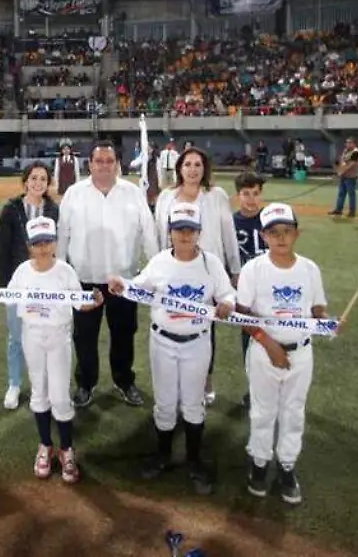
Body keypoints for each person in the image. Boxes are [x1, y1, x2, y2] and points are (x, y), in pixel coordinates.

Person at [108, 202, 236, 495]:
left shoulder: (210, 263)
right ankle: (162, 455)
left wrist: (227, 302)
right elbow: (138, 286)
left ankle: (194, 460)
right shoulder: (160, 262)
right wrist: (120, 284)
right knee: (165, 402)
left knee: (193, 403)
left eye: (190, 229)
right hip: (163, 341)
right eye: (179, 229)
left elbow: (226, 292)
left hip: (197, 343)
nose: (185, 235)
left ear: (199, 233)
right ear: (170, 233)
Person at [237, 202, 329, 504]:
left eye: (286, 231)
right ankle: (260, 462)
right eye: (273, 233)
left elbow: (316, 309)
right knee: (263, 411)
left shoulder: (309, 269)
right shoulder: (254, 269)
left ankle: (287, 465)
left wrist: (326, 323)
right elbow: (243, 314)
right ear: (264, 237)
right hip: (264, 352)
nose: (280, 238)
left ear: (296, 234)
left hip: (301, 354)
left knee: (293, 411)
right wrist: (269, 343)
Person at [59, 140, 158, 409]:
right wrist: (58, 273)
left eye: (109, 161)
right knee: (84, 337)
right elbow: (62, 236)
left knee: (124, 334)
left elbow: (148, 233)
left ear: (117, 164)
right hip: (84, 280)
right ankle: (86, 384)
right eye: (99, 161)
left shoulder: (133, 193)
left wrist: (156, 270)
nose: (104, 166)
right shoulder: (74, 194)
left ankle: (124, 381)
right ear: (89, 164)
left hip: (124, 281)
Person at [7, 216, 102, 483]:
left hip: (59, 337)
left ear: (55, 243)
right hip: (32, 335)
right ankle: (45, 445)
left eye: (47, 241)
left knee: (60, 394)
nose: (43, 248)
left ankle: (67, 449)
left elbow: (78, 303)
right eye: (37, 243)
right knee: (39, 391)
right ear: (29, 246)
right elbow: (7, 296)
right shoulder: (23, 272)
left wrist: (92, 302)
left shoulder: (65, 271)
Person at [153, 147, 240, 406]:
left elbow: (228, 234)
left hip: (207, 273)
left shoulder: (216, 196)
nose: (192, 169)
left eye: (197, 165)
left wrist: (234, 269)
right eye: (188, 164)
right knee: (175, 322)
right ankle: (175, 382)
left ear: (205, 169)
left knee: (205, 328)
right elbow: (160, 234)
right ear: (179, 168)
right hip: (173, 272)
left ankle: (205, 379)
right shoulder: (166, 197)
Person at [0, 162, 60, 411]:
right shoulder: (11, 209)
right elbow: (2, 251)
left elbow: (58, 245)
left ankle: (42, 384)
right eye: (33, 178)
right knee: (16, 336)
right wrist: (5, 289)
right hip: (18, 283)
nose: (38, 183)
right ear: (25, 182)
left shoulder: (53, 209)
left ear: (48, 183)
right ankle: (14, 383)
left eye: (43, 179)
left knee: (45, 332)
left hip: (46, 282)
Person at [231, 171, 268, 407]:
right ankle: (254, 388)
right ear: (238, 196)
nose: (251, 199)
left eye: (255, 194)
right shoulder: (231, 222)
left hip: (269, 290)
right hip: (245, 293)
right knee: (250, 340)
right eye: (246, 194)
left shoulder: (271, 220)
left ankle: (271, 387)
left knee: (273, 337)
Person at [329, 137, 358, 217]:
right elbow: (342, 162)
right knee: (341, 193)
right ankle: (338, 210)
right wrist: (338, 171)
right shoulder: (345, 151)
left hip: (351, 176)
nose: (347, 144)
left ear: (354, 144)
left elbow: (352, 164)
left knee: (351, 194)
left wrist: (342, 171)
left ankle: (352, 211)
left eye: (350, 143)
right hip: (343, 176)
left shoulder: (356, 152)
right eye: (347, 143)